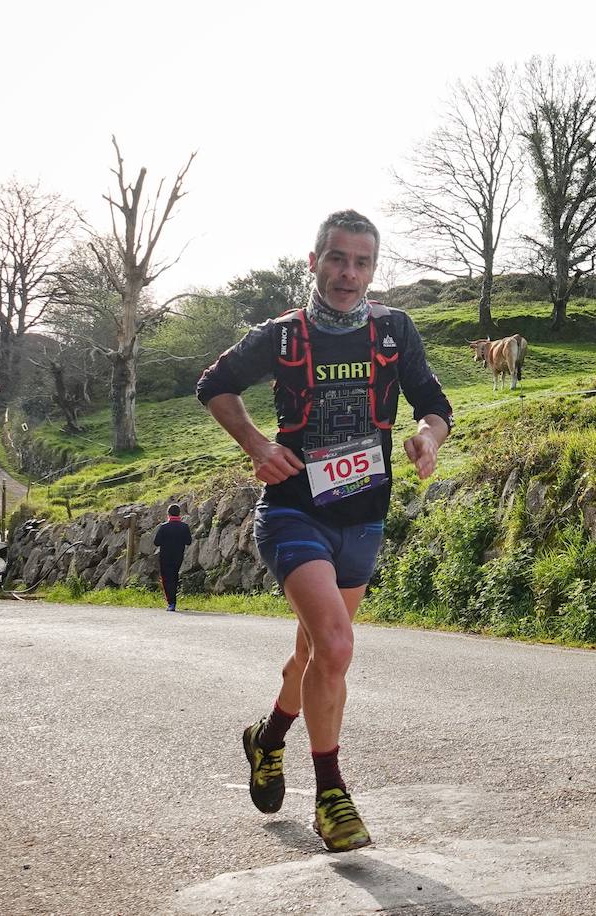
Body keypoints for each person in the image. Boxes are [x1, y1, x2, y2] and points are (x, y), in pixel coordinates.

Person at [197, 209, 453, 853]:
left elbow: (433, 400)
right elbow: (215, 385)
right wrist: (255, 443)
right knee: (336, 646)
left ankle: (268, 738)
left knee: (314, 652)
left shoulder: (394, 331)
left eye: (363, 262)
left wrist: (428, 435)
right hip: (292, 513)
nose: (350, 273)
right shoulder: (283, 336)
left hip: (363, 516)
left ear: (374, 269)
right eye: (338, 259)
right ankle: (331, 795)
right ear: (314, 262)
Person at [152, 505, 193, 612]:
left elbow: (156, 542)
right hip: (178, 555)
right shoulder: (184, 526)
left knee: (166, 579)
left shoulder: (164, 527)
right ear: (179, 514)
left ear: (168, 514)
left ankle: (171, 603)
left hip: (165, 556)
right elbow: (188, 541)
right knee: (174, 577)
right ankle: (173, 601)